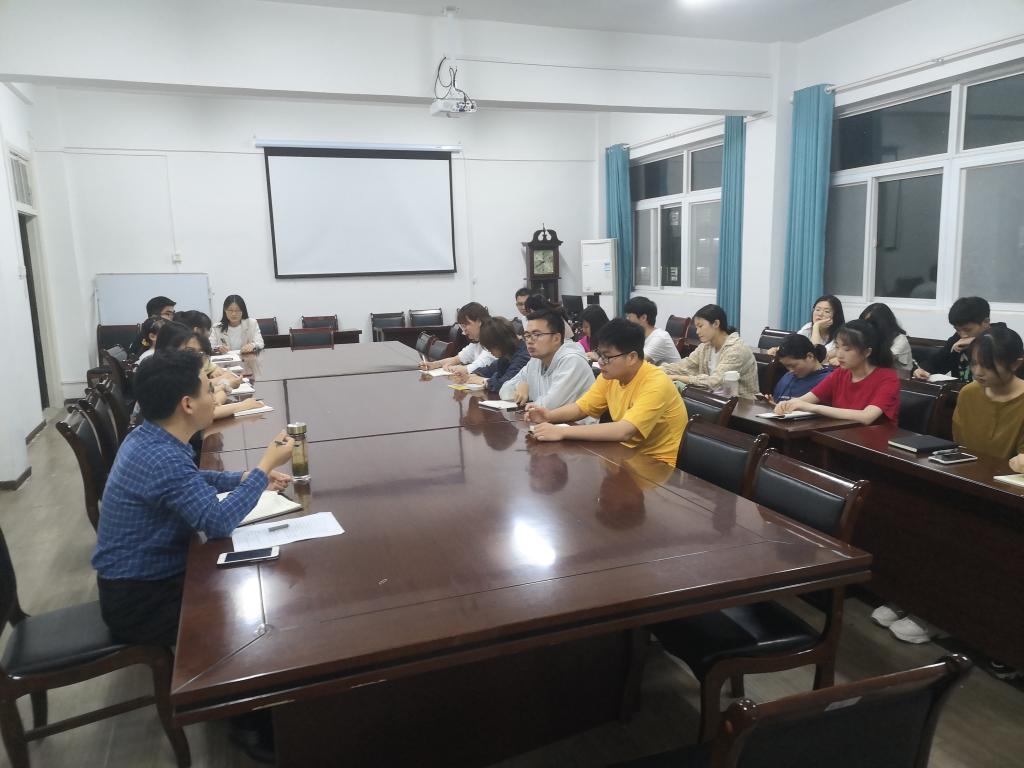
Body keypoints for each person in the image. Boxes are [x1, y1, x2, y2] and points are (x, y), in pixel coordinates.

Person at [92, 349, 294, 647]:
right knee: (258, 609)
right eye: (209, 390)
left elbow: (191, 479)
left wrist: (245, 477)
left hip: (136, 584)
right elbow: (218, 522)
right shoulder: (163, 457)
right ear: (187, 404)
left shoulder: (149, 437)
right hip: (141, 602)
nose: (215, 398)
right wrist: (265, 467)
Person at [526, 318, 687, 467]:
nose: (600, 362)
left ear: (631, 357)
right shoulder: (610, 376)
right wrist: (549, 416)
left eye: (607, 357)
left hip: (659, 466)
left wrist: (562, 432)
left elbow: (624, 431)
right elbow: (582, 408)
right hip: (625, 455)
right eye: (600, 355)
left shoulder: (656, 383)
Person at [774, 318, 899, 425]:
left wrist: (812, 408)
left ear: (867, 352)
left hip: (874, 441)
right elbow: (804, 400)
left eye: (847, 349)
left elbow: (867, 417)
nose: (839, 355)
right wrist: (786, 404)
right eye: (837, 347)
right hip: (840, 436)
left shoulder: (887, 378)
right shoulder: (840, 374)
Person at [498, 310, 594, 409]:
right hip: (546, 418)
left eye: (536, 335)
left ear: (556, 338)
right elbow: (503, 391)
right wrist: (520, 385)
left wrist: (527, 394)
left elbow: (550, 404)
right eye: (527, 335)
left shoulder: (572, 361)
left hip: (574, 420)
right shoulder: (535, 361)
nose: (529, 341)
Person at [660, 304, 759, 398]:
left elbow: (715, 382)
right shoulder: (705, 347)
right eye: (696, 327)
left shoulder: (736, 349)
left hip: (742, 404)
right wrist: (657, 370)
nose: (697, 331)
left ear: (716, 323)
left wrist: (677, 377)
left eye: (700, 326)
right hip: (713, 399)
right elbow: (685, 366)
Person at [913, 296, 1002, 383]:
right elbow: (937, 362)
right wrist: (922, 370)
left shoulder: (1003, 336)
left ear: (986, 322)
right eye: (957, 330)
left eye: (968, 330)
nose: (963, 335)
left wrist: (977, 342)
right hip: (961, 390)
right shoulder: (957, 338)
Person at [451, 316, 530, 391]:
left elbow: (507, 385)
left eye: (489, 347)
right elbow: (490, 369)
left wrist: (485, 381)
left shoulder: (523, 356)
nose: (489, 351)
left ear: (499, 343)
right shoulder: (507, 353)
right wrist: (470, 375)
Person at [419, 302, 495, 374]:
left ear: (479, 321)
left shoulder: (493, 339)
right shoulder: (477, 341)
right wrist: (434, 364)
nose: (464, 332)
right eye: (462, 327)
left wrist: (457, 369)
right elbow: (457, 359)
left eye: (465, 326)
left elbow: (481, 365)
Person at [769, 334, 833, 402]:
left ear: (810, 356)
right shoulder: (787, 377)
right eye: (786, 366)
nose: (790, 371)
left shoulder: (828, 380)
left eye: (793, 366)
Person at [623, 296, 681, 365]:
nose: (626, 320)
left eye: (629, 316)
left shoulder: (660, 337)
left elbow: (635, 363)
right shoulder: (639, 336)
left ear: (643, 318)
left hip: (673, 372)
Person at [860, 302, 913, 375]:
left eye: (871, 323)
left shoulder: (900, 340)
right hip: (876, 376)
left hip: (901, 379)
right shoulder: (870, 336)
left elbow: (881, 362)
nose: (866, 327)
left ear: (884, 323)